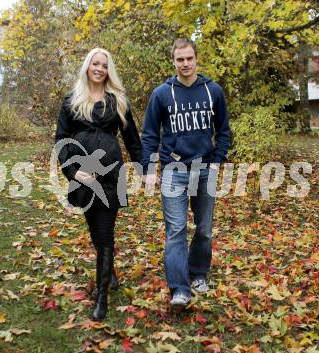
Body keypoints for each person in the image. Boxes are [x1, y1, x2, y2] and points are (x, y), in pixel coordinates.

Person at [141, 38, 230, 307]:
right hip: (173, 170)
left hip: (205, 169)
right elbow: (149, 134)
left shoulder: (213, 90)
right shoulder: (162, 94)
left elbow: (223, 130)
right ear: (173, 62)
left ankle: (198, 273)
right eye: (180, 59)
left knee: (203, 229)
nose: (185, 64)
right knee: (176, 230)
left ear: (196, 59)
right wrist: (149, 168)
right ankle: (179, 288)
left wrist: (216, 162)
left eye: (189, 58)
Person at [55, 48, 142, 321]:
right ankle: (111, 273)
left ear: (108, 70)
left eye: (104, 65)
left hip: (110, 174)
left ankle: (102, 297)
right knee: (95, 231)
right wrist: (72, 171)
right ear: (87, 66)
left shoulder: (117, 101)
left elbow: (132, 140)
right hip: (82, 176)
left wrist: (145, 168)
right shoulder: (72, 100)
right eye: (95, 63)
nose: (99, 68)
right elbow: (60, 140)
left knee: (105, 233)